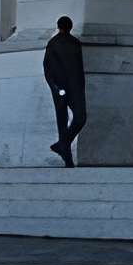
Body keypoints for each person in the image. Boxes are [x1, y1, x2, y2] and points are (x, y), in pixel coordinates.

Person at [43, 17, 87, 166]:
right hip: (67, 87)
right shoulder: (59, 44)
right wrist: (56, 88)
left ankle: (63, 144)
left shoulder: (67, 44)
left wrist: (54, 87)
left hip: (66, 87)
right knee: (77, 118)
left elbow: (47, 69)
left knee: (69, 120)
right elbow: (49, 69)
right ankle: (67, 158)